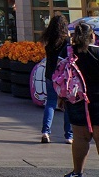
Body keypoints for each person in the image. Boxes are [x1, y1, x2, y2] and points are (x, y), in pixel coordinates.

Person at [62, 21, 99, 177]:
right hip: (98, 100)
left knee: (80, 138)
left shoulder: (69, 53)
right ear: (92, 36)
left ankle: (77, 172)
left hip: (76, 100)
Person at [41, 13, 73, 144]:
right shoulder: (66, 41)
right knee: (67, 104)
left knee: (50, 103)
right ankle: (68, 135)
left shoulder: (48, 40)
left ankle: (45, 132)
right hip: (64, 76)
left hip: (50, 74)